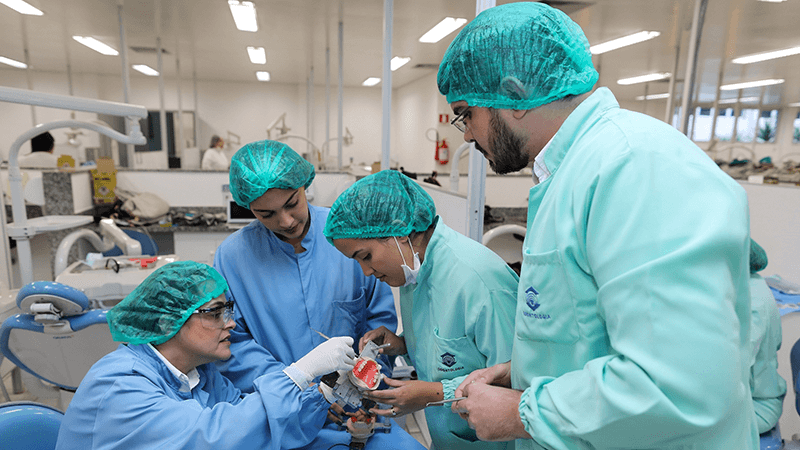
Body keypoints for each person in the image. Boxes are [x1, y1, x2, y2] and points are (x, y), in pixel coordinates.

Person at [437, 3, 757, 449]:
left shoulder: (635, 166)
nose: (466, 135)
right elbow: (593, 327)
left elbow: (680, 384)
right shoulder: (571, 172)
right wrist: (526, 368)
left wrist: (522, 412)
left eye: (465, 112)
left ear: (513, 92)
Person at [213, 140, 425, 450]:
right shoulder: (233, 257)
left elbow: (378, 322)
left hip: (358, 409)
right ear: (249, 209)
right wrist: (301, 389)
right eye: (267, 214)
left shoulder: (348, 237)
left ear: (304, 185)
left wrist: (362, 378)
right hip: (283, 413)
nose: (286, 221)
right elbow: (235, 344)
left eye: (291, 203)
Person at [56, 260, 357, 450]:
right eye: (214, 313)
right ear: (167, 321)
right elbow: (213, 437)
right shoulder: (120, 384)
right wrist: (300, 373)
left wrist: (323, 394)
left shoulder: (201, 374)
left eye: (228, 310)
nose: (231, 323)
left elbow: (257, 426)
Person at [323, 169, 519, 450]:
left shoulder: (479, 282)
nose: (366, 271)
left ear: (399, 232)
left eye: (365, 257)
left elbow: (517, 380)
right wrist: (401, 344)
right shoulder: (413, 271)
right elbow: (452, 345)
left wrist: (432, 394)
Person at [748, 240, 787, 435]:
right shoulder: (751, 283)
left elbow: (731, 370)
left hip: (755, 406)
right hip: (745, 400)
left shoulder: (751, 299)